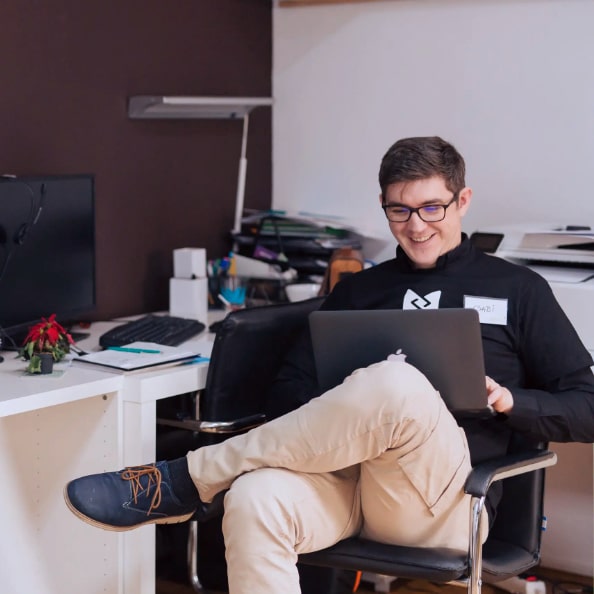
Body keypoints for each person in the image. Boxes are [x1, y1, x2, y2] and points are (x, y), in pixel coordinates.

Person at [65, 136, 594, 594]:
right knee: (254, 497)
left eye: (432, 207)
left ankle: (188, 479)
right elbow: (287, 392)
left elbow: (586, 407)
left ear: (462, 202)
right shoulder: (358, 290)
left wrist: (508, 402)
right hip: (342, 484)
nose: (416, 226)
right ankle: (204, 480)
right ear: (383, 207)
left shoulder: (519, 290)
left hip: (444, 503)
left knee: (397, 382)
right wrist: (346, 404)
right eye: (399, 211)